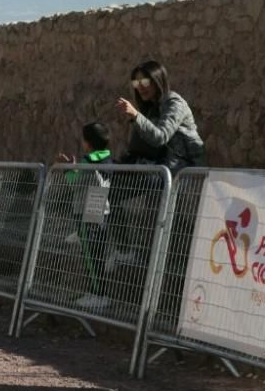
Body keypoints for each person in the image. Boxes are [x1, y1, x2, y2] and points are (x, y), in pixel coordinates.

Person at [56, 122, 114, 310]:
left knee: (91, 257)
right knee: (97, 256)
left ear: (87, 143)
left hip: (86, 213)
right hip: (100, 212)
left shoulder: (89, 161)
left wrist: (68, 170)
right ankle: (94, 292)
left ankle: (99, 295)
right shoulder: (106, 159)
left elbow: (75, 183)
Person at [115, 60, 204, 174]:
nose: (140, 87)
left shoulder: (174, 103)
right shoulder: (151, 108)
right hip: (159, 170)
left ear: (157, 81)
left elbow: (160, 137)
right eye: (136, 83)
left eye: (145, 82)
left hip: (182, 174)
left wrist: (136, 115)